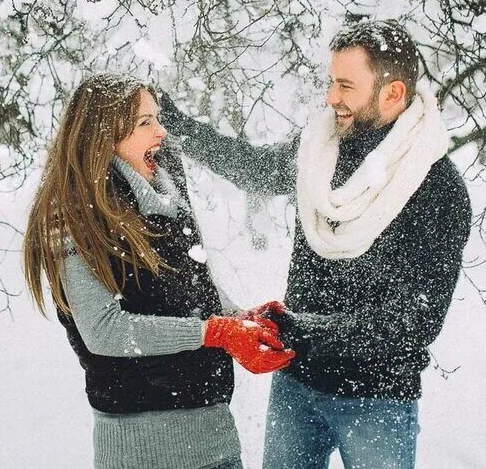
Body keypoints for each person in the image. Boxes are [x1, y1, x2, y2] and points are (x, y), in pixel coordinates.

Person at [159, 20, 472, 469]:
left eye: (346, 86)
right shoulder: (320, 151)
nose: (331, 98)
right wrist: (179, 127)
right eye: (331, 82)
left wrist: (303, 331)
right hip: (297, 387)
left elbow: (414, 322)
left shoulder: (436, 188)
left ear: (393, 93)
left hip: (378, 399)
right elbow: (255, 168)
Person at [24, 73, 295, 469]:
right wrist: (215, 332)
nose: (161, 131)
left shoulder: (166, 192)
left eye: (157, 118)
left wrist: (237, 317)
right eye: (144, 122)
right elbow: (104, 330)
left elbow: (190, 284)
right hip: (142, 453)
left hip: (215, 442)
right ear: (105, 136)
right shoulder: (74, 217)